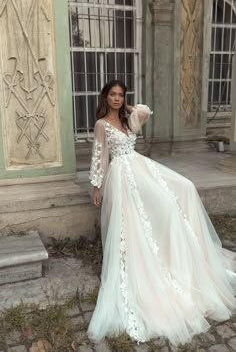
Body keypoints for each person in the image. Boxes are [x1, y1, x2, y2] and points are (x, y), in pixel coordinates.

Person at [87, 79, 236, 346]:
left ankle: (178, 254)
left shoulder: (128, 119)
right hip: (122, 175)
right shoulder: (102, 125)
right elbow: (100, 156)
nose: (117, 99)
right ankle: (152, 260)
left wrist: (126, 108)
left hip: (140, 168)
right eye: (113, 95)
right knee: (151, 214)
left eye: (121, 95)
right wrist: (96, 186)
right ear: (104, 97)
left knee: (185, 187)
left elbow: (144, 111)